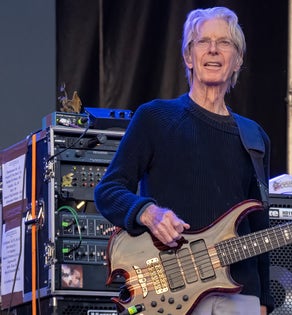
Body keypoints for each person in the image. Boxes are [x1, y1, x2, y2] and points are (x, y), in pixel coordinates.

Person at [94, 6, 273, 315]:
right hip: (170, 293)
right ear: (189, 57)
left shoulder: (254, 137)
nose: (213, 49)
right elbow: (107, 191)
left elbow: (260, 228)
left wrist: (264, 301)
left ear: (238, 61)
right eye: (202, 41)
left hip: (239, 296)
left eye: (225, 42)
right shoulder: (155, 118)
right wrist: (148, 213)